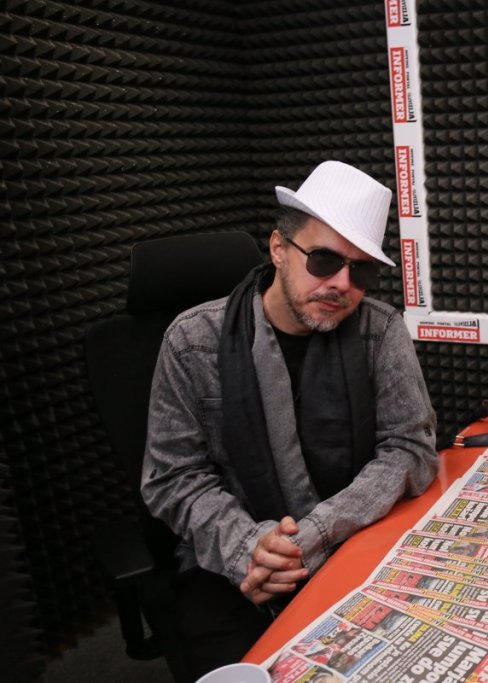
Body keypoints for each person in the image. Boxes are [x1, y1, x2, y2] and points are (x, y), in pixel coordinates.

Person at [140, 160, 439, 679]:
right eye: (324, 260)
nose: (342, 284)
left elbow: (410, 449)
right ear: (279, 248)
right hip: (232, 566)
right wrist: (249, 548)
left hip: (353, 541)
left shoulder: (380, 330)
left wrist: (318, 531)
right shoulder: (191, 341)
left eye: (361, 270)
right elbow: (172, 477)